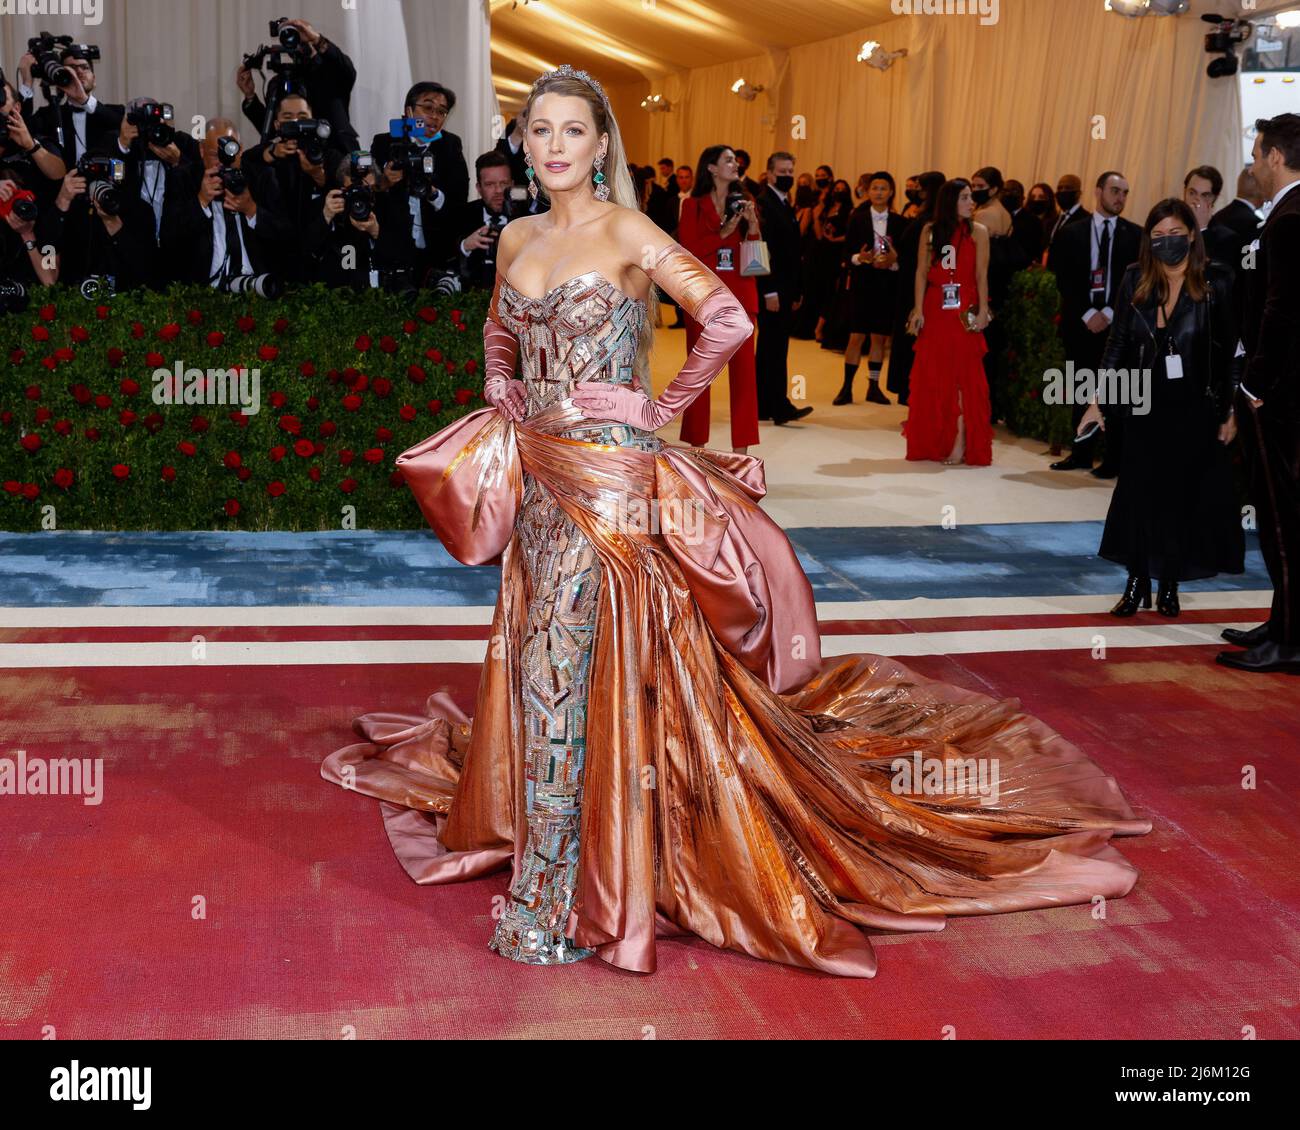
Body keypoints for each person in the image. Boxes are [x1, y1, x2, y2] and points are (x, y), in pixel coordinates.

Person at [321, 64, 1150, 978]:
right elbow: (497, 326)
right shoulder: (515, 233)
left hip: (612, 481)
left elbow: (724, 320)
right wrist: (498, 380)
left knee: (566, 663)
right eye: (539, 130)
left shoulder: (630, 229)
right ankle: (582, 837)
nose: (552, 147)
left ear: (602, 147)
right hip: (539, 471)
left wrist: (655, 405)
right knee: (545, 658)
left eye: (571, 132)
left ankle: (557, 892)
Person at [1076, 199, 1243, 619]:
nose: (1166, 243)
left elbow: (1232, 353)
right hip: (1142, 405)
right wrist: (1097, 401)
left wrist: (1231, 410)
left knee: (1180, 498)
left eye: (1174, 235)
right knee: (1137, 494)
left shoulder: (1215, 282)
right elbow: (1116, 345)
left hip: (1195, 409)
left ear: (1191, 235)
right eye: (1157, 237)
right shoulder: (1136, 279)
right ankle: (1136, 581)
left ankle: (1169, 582)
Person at [1218, 113, 1300, 674]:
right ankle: (1284, 622)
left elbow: (1283, 311)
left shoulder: (1292, 217)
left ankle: (1291, 642)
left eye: (1255, 154)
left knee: (1281, 521)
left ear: (1275, 155)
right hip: (1287, 393)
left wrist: (1253, 383)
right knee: (1279, 519)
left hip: (1282, 397)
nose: (1252, 166)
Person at [1048, 171, 1141, 476]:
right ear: (1098, 191)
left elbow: (1136, 282)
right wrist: (1088, 313)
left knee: (1115, 390)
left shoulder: (1136, 235)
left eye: (1125, 193)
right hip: (1080, 324)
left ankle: (1113, 459)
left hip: (1119, 328)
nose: (1120, 198)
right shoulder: (1071, 233)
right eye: (1115, 190)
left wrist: (1111, 314)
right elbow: (1064, 278)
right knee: (1081, 387)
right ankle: (1081, 453)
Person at [676, 145, 762, 453]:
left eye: (735, 160)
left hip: (741, 297)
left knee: (744, 379)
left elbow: (756, 259)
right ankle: (696, 448)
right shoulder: (692, 206)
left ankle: (742, 451)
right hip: (703, 299)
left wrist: (752, 226)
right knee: (699, 375)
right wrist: (725, 232)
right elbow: (688, 250)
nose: (735, 164)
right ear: (711, 168)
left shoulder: (746, 202)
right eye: (728, 160)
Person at [904, 178, 993, 465]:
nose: (971, 202)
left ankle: (961, 440)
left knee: (965, 379)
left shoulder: (978, 232)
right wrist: (918, 309)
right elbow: (920, 272)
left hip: (964, 310)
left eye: (971, 197)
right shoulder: (931, 231)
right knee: (934, 376)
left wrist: (982, 311)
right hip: (936, 307)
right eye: (965, 197)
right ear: (950, 201)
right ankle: (935, 438)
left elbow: (981, 276)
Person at [836, 171, 906, 405]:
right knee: (856, 336)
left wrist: (894, 262)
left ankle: (873, 387)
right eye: (874, 188)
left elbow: (904, 259)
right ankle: (846, 387)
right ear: (868, 191)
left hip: (886, 286)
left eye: (883, 188)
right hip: (862, 284)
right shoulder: (857, 218)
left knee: (879, 338)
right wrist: (860, 257)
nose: (878, 192)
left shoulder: (899, 222)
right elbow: (846, 254)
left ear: (891, 192)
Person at [755, 151, 813, 424]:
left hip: (786, 287)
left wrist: (798, 289)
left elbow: (793, 250)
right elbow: (760, 250)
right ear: (769, 173)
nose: (788, 177)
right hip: (773, 289)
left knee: (772, 347)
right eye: (783, 172)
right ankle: (779, 406)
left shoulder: (783, 201)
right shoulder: (764, 203)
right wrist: (769, 291)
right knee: (773, 348)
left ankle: (764, 404)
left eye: (791, 172)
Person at [887, 169, 945, 407]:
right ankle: (906, 386)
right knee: (906, 333)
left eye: (920, 187)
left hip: (917, 282)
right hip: (906, 279)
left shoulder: (933, 219)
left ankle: (912, 388)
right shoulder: (922, 214)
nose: (916, 191)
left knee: (913, 332)